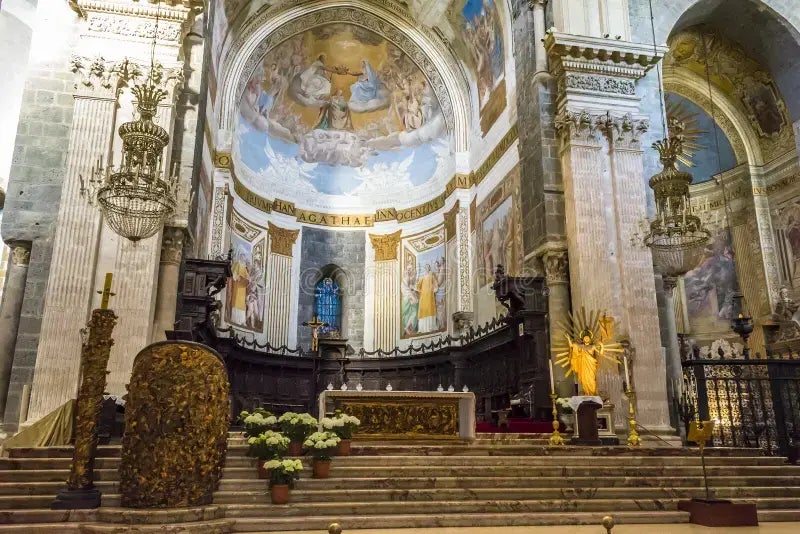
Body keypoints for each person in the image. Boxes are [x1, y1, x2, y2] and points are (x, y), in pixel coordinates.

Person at [416, 263, 440, 333]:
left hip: (430, 295)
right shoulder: (423, 276)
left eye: (428, 267)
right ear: (425, 268)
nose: (427, 268)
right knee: (424, 309)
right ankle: (423, 328)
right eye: (426, 267)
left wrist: (434, 289)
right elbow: (418, 285)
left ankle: (430, 326)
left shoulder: (432, 275)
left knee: (430, 308)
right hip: (423, 295)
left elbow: (435, 283)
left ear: (429, 268)